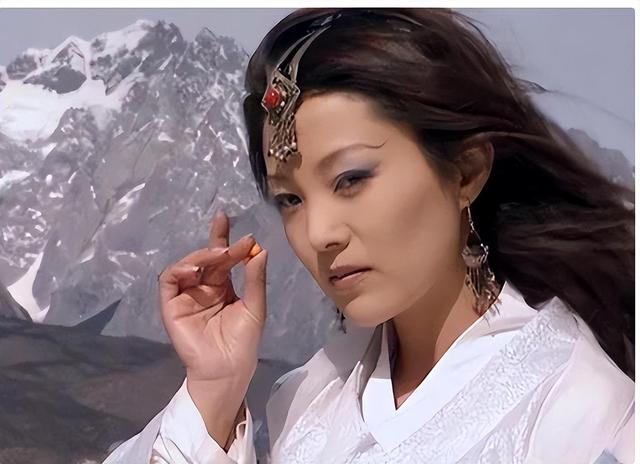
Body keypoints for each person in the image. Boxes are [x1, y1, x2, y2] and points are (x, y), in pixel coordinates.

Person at [102, 8, 634, 464]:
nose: (319, 233)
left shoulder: (581, 414)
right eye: (290, 199)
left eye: (351, 179)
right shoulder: (304, 403)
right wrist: (215, 391)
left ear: (466, 171)